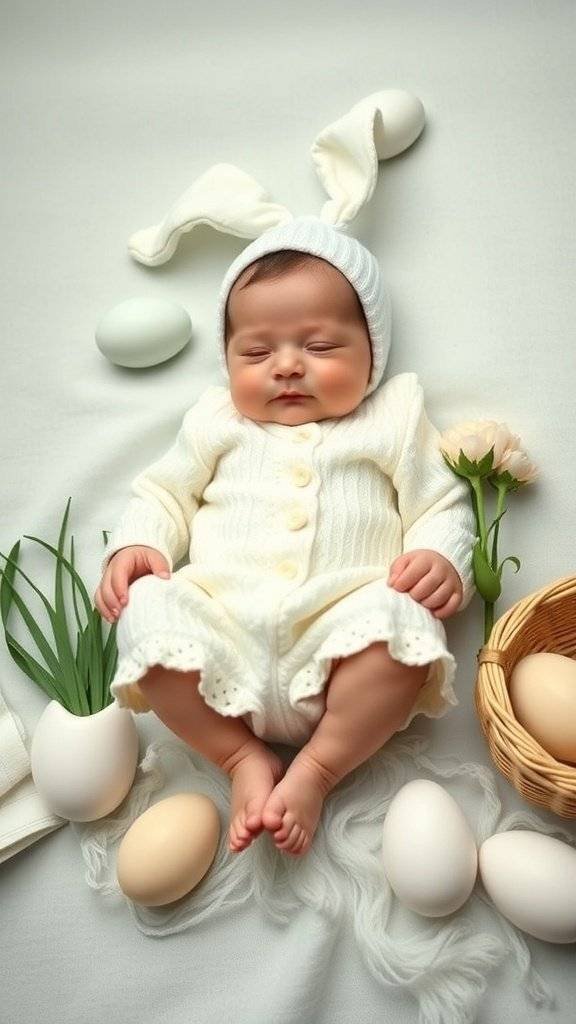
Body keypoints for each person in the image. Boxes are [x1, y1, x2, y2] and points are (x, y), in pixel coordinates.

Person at [94, 216, 476, 858]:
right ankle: (239, 756)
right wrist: (140, 545)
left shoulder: (394, 416)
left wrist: (442, 555)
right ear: (228, 360)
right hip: (219, 634)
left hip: (342, 632)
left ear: (373, 352)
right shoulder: (216, 418)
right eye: (256, 352)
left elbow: (442, 498)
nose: (289, 366)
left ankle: (319, 769)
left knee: (402, 621)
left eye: (322, 347)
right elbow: (164, 491)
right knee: (147, 610)